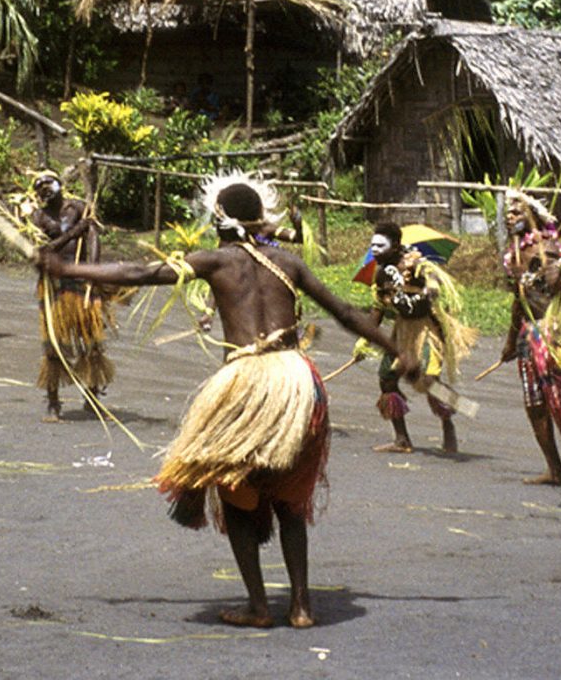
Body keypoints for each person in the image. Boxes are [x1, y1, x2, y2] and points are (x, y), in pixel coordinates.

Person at [38, 173, 417, 629]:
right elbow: (347, 313)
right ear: (259, 220)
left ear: (220, 219)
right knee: (290, 498)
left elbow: (139, 273)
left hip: (247, 385)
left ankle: (259, 606)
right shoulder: (287, 262)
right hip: (296, 382)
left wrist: (68, 271)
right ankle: (301, 607)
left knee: (232, 486)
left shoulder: (216, 261)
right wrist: (397, 351)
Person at [497, 190, 561, 493]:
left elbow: (552, 289)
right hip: (530, 336)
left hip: (555, 333)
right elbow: (519, 302)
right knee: (535, 405)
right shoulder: (515, 253)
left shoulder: (548, 249)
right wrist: (511, 341)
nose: (510, 217)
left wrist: (528, 275)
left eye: (517, 212)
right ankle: (555, 469)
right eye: (508, 214)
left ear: (534, 216)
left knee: (560, 402)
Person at [360, 224, 475, 455]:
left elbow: (431, 275)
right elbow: (378, 309)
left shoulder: (413, 263)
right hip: (402, 333)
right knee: (387, 380)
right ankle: (402, 440)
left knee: (428, 381)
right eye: (372, 246)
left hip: (425, 330)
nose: (375, 250)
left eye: (380, 246)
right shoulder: (381, 273)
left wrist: (430, 287)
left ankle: (449, 423)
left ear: (394, 246)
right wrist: (364, 340)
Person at [30, 169, 114, 421]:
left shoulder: (79, 208)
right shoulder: (37, 218)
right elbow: (42, 251)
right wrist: (74, 232)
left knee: (92, 343)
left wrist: (94, 272)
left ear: (60, 184)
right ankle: (53, 403)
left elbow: (93, 236)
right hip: (54, 286)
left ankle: (93, 398)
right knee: (54, 345)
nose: (44, 187)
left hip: (82, 284)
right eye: (39, 185)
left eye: (48, 182)